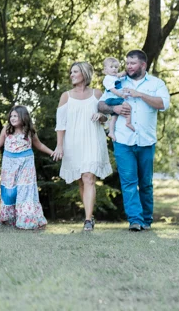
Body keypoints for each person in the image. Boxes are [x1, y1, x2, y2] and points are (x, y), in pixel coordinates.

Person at [98, 49, 171, 231]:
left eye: (133, 63)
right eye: (127, 63)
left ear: (143, 65)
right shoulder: (118, 81)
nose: (128, 66)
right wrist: (114, 110)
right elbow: (101, 104)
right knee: (129, 182)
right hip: (123, 141)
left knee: (145, 184)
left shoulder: (156, 83)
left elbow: (163, 104)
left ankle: (146, 220)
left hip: (146, 141)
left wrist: (140, 95)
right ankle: (135, 221)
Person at [55, 61, 112, 231]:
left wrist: (101, 116)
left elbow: (107, 118)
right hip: (73, 142)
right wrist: (59, 146)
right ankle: (90, 215)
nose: (71, 75)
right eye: (71, 72)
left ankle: (87, 220)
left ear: (84, 74)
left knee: (88, 177)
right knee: (81, 180)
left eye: (75, 72)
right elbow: (61, 124)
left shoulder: (97, 94)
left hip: (93, 139)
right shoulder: (66, 96)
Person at [0, 105, 57, 230]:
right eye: (11, 116)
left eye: (15, 116)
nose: (12, 118)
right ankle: (9, 219)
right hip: (9, 165)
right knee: (9, 192)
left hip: (26, 164)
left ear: (23, 117)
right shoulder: (7, 130)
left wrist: (52, 153)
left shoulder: (29, 131)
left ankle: (26, 221)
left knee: (25, 191)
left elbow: (39, 145)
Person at [102, 57, 133, 139]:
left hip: (115, 99)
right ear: (106, 69)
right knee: (128, 106)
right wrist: (121, 95)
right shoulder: (107, 79)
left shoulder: (115, 77)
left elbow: (125, 73)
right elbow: (113, 90)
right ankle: (128, 122)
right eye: (111, 67)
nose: (114, 69)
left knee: (114, 118)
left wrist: (121, 73)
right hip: (112, 99)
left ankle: (111, 132)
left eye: (116, 67)